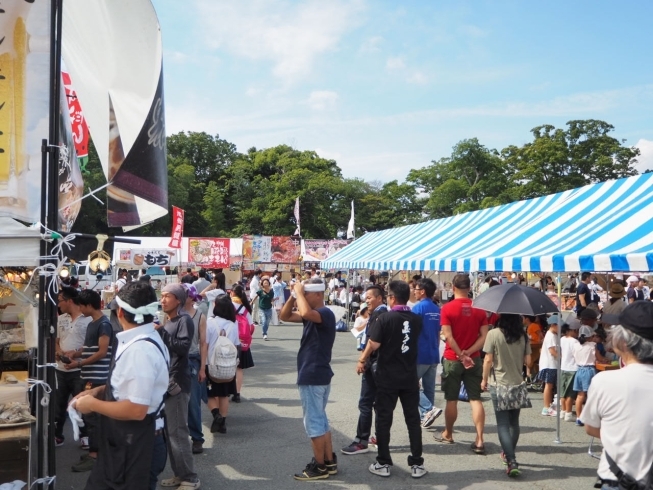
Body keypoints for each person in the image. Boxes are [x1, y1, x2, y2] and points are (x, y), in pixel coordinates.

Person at [74, 281, 169, 490]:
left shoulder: (140, 349)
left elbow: (136, 410)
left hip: (136, 443)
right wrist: (100, 391)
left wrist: (92, 404)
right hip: (130, 440)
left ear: (120, 313)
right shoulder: (145, 338)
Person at [359, 280, 426, 479]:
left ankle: (383, 461)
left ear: (392, 298)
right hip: (409, 376)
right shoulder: (416, 319)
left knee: (383, 419)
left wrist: (362, 358)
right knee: (413, 420)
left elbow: (375, 343)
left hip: (387, 377)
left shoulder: (385, 318)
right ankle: (416, 463)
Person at [583, 302, 653, 490]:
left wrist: (622, 437)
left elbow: (590, 427)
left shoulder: (605, 381)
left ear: (623, 342)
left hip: (616, 478)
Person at [279, 279, 337, 481]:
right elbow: (284, 316)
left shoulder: (325, 313)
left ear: (318, 295)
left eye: (307, 293)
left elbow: (304, 312)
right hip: (316, 372)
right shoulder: (315, 316)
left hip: (313, 373)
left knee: (314, 423)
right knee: (321, 421)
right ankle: (329, 462)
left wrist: (298, 292)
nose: (303, 296)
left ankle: (319, 466)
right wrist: (295, 295)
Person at [436, 274, 488, 454]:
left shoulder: (447, 308)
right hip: (474, 357)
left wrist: (460, 354)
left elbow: (448, 336)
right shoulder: (480, 309)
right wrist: (469, 352)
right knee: (475, 399)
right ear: (470, 287)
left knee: (452, 398)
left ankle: (448, 433)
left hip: (453, 358)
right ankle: (480, 439)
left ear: (453, 287)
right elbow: (484, 336)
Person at [158, 284, 200, 489]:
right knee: (170, 432)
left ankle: (190, 478)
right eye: (162, 296)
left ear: (179, 300)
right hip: (167, 382)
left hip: (178, 382)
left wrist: (162, 333)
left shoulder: (184, 320)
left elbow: (183, 348)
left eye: (168, 296)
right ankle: (179, 474)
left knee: (177, 432)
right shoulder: (169, 321)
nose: (163, 299)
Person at [481, 313, 532, 478]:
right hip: (517, 382)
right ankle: (509, 454)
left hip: (499, 383)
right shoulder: (523, 335)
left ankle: (511, 460)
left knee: (502, 424)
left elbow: (488, 359)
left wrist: (483, 380)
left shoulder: (493, 334)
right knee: (513, 423)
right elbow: (528, 361)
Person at [68, 290, 113, 472]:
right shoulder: (93, 324)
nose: (79, 308)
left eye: (81, 305)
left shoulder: (104, 324)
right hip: (89, 376)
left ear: (88, 305)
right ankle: (95, 452)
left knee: (94, 418)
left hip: (97, 378)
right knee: (90, 417)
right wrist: (75, 353)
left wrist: (79, 362)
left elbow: (102, 352)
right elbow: (89, 348)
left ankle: (95, 455)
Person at [341, 285, 387, 455]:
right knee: (378, 404)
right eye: (365, 298)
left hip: (373, 364)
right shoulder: (382, 314)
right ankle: (378, 437)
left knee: (366, 403)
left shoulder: (379, 315)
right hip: (381, 365)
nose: (366, 300)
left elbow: (373, 342)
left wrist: (362, 359)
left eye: (370, 297)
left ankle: (362, 440)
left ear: (380, 298)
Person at [54, 286, 92, 447]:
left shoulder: (88, 320)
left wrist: (75, 354)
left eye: (60, 300)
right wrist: (59, 351)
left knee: (82, 404)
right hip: (60, 369)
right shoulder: (61, 319)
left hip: (80, 369)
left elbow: (92, 346)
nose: (58, 304)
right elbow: (56, 341)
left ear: (70, 301)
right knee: (58, 405)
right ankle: (57, 435)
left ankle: (85, 436)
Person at [200, 294, 240, 434]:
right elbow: (236, 345)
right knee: (224, 394)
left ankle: (216, 414)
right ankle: (222, 422)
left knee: (207, 393)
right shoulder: (233, 325)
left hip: (210, 363)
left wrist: (201, 365)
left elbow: (205, 344)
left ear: (216, 306)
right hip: (227, 365)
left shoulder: (210, 323)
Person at [411, 278, 443, 428]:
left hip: (420, 353)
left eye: (416, 289)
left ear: (422, 291)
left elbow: (411, 332)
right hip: (433, 352)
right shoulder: (436, 309)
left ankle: (428, 410)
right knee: (429, 387)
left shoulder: (418, 308)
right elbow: (438, 332)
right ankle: (426, 415)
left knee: (410, 384)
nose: (414, 292)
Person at [181, 284, 207, 455]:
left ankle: (197, 438)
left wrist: (202, 368)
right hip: (175, 362)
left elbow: (203, 343)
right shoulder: (171, 315)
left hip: (192, 361)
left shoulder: (199, 316)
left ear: (190, 297)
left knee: (193, 403)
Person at [573, 325, 608, 427]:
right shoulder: (592, 345)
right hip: (589, 370)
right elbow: (599, 358)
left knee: (580, 395)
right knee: (590, 395)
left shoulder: (576, 345)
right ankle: (590, 418)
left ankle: (579, 418)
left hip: (579, 370)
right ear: (590, 336)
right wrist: (605, 360)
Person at [230, 285, 255, 402]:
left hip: (229, 341)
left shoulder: (228, 306)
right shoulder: (245, 309)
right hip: (242, 342)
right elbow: (251, 327)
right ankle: (237, 393)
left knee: (228, 366)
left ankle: (227, 391)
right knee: (239, 369)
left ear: (232, 293)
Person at [537, 315, 559, 416]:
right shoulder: (550, 335)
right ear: (554, 325)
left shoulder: (553, 335)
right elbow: (552, 351)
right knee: (548, 385)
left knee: (550, 385)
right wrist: (562, 358)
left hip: (552, 364)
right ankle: (546, 407)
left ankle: (549, 405)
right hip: (549, 364)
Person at [559, 321, 580, 423]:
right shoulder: (575, 342)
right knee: (570, 393)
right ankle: (568, 413)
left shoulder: (562, 339)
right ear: (573, 330)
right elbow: (577, 355)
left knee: (563, 392)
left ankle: (563, 411)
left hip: (563, 367)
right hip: (573, 368)